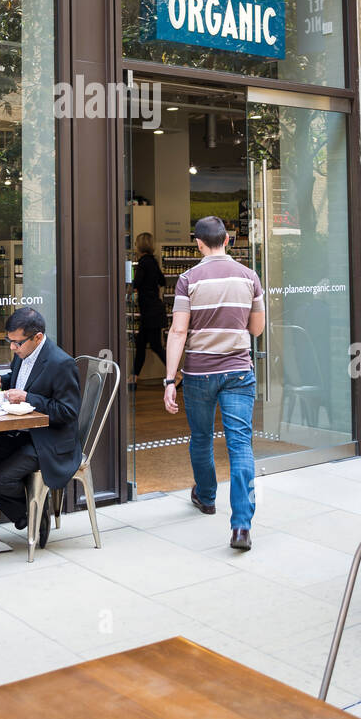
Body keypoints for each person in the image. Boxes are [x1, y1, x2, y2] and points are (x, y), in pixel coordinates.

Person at [163, 216, 264, 552]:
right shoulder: (250, 277)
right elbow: (257, 329)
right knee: (240, 446)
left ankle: (206, 497)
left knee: (202, 437)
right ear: (228, 240)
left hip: (198, 374)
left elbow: (178, 331)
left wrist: (168, 380)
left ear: (198, 243)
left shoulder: (188, 279)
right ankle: (241, 527)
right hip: (238, 372)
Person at [0, 306, 81, 548]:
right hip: (20, 434)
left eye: (17, 343)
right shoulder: (23, 354)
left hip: (49, 440)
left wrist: (28, 397)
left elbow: (68, 411)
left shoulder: (62, 363)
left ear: (38, 337)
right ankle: (29, 515)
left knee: (0, 479)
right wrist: (4, 381)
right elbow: (27, 381)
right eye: (10, 341)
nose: (12, 347)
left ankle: (36, 513)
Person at [131, 232, 167, 386]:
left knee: (155, 346)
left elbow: (136, 283)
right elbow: (163, 280)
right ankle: (134, 377)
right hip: (153, 310)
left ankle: (177, 374)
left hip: (150, 312)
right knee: (141, 344)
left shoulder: (143, 262)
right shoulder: (152, 261)